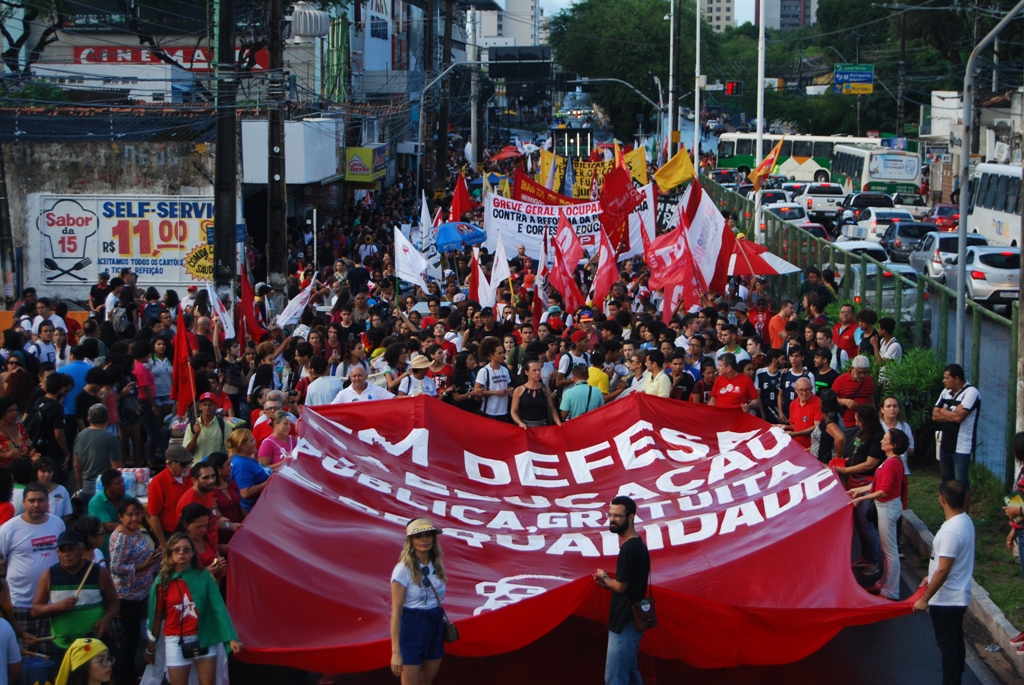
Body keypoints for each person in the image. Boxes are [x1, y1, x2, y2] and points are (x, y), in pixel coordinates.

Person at [145, 532, 242, 685]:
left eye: (186, 549)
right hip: (175, 640)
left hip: (205, 637)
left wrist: (231, 638)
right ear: (170, 553)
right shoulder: (162, 581)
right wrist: (150, 648)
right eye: (176, 549)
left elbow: (218, 608)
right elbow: (156, 616)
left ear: (192, 553)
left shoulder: (204, 576)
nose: (181, 553)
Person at [913, 481, 975, 685]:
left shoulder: (950, 531)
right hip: (959, 595)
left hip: (946, 600)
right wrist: (930, 576)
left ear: (942, 499)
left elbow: (944, 569)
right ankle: (957, 676)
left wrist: (925, 598)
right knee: (955, 641)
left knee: (947, 646)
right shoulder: (965, 520)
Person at [0, 482, 66, 655]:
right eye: (31, 500)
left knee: (48, 657)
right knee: (21, 657)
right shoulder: (8, 529)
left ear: (47, 502)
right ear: (23, 502)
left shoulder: (58, 524)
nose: (36, 504)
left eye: (41, 500)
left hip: (51, 603)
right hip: (19, 603)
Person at [31, 530, 120, 652]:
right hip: (62, 647)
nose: (66, 554)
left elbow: (114, 602)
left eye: (71, 549)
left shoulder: (99, 573)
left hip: (94, 645)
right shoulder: (49, 575)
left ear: (82, 550)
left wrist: (106, 620)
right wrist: (59, 606)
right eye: (62, 550)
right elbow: (35, 611)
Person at [593, 496, 650, 685]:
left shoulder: (629, 549)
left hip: (624, 623)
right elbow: (627, 586)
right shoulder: (637, 545)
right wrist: (606, 583)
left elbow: (620, 586)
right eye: (610, 515)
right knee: (631, 674)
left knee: (615, 678)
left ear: (631, 517)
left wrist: (603, 577)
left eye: (618, 516)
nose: (612, 519)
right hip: (630, 622)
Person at [848, 429, 908, 600]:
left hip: (887, 507)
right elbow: (878, 484)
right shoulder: (891, 461)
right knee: (887, 549)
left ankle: (891, 590)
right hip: (886, 507)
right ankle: (884, 583)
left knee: (889, 551)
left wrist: (861, 498)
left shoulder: (891, 463)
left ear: (893, 445)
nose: (881, 441)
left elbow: (884, 491)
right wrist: (860, 490)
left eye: (885, 439)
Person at [390, 518, 449, 685]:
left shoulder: (436, 563)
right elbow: (396, 612)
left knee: (427, 682)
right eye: (418, 536)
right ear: (411, 541)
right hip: (412, 626)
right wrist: (396, 651)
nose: (424, 540)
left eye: (428, 535)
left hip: (434, 623)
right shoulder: (403, 569)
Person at [109, 497, 160, 685]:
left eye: (137, 514)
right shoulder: (122, 537)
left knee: (134, 637)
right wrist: (144, 566)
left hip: (140, 592)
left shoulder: (135, 531)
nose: (134, 518)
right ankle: (124, 678)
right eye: (129, 515)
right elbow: (116, 567)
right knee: (129, 640)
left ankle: (130, 674)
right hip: (127, 595)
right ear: (121, 517)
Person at [837, 405, 885, 576]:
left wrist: (845, 470)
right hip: (854, 480)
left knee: (865, 523)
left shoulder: (878, 436)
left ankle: (874, 561)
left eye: (859, 420)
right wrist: (844, 462)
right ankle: (866, 556)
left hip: (865, 482)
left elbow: (870, 464)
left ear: (867, 420)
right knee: (859, 522)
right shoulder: (862, 432)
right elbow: (856, 455)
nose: (856, 422)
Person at [932, 364, 980, 513]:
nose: (944, 381)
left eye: (947, 378)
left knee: (961, 484)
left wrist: (943, 411)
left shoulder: (971, 393)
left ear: (956, 379)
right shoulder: (946, 392)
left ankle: (963, 516)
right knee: (946, 483)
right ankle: (949, 516)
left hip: (961, 447)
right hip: (945, 445)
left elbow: (959, 418)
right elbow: (934, 415)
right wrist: (950, 413)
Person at [73, 404, 122, 508]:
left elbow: (77, 465)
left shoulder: (80, 436)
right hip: (105, 492)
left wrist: (81, 487)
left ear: (89, 419)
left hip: (87, 489)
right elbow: (116, 467)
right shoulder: (110, 438)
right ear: (108, 418)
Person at [146, 446, 195, 549]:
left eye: (189, 463)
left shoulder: (192, 476)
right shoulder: (158, 482)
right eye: (183, 464)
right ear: (169, 464)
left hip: (192, 533)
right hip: (170, 535)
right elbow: (154, 516)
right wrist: (164, 545)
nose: (187, 466)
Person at [227, 429, 270, 514]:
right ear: (242, 445)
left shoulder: (247, 457)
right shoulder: (241, 465)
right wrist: (269, 481)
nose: (255, 442)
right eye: (251, 441)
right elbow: (245, 493)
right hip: (254, 511)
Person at [86, 469, 126, 560]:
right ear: (107, 487)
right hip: (103, 550)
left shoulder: (126, 498)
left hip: (123, 549)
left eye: (123, 482)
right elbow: (109, 526)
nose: (123, 485)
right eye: (118, 483)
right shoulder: (96, 502)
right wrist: (131, 523)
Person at [510, 360, 560, 428]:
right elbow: (513, 411)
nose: (537, 373)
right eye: (534, 370)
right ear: (526, 372)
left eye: (539, 370)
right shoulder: (519, 390)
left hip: (543, 426)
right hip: (525, 427)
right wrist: (520, 423)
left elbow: (552, 408)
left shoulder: (545, 389)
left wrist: (558, 421)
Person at [472, 337, 511, 421]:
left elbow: (507, 386)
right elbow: (476, 391)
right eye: (499, 353)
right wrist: (496, 392)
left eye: (503, 352)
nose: (502, 355)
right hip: (489, 411)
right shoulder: (484, 371)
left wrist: (510, 390)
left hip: (504, 411)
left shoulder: (505, 370)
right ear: (491, 355)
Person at [183, 393, 229, 463]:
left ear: (215, 406)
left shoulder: (223, 425)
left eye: (210, 405)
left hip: (216, 467)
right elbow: (187, 452)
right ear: (200, 406)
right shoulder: (192, 425)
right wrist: (195, 436)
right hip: (198, 467)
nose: (207, 407)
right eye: (204, 405)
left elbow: (229, 449)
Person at [832, 355, 875, 428]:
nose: (862, 375)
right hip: (847, 423)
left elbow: (871, 401)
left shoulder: (869, 380)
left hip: (865, 423)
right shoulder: (840, 380)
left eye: (865, 373)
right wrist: (843, 401)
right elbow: (830, 401)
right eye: (859, 372)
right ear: (852, 368)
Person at [783, 377, 822, 449]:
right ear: (796, 390)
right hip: (797, 447)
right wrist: (786, 427)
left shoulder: (818, 403)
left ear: (812, 388)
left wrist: (795, 434)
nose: (804, 393)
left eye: (807, 390)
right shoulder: (793, 404)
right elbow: (795, 425)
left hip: (812, 448)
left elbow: (817, 427)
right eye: (801, 390)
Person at [809, 389, 846, 464]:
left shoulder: (829, 420)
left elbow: (840, 438)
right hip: (820, 460)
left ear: (821, 402)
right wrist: (813, 448)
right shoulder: (835, 414)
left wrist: (837, 458)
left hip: (825, 463)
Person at [0, 397, 34, 468]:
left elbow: (30, 446)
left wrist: (33, 454)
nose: (14, 413)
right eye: (10, 411)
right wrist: (6, 455)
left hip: (23, 470)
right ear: (2, 412)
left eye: (16, 410)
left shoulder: (20, 427)